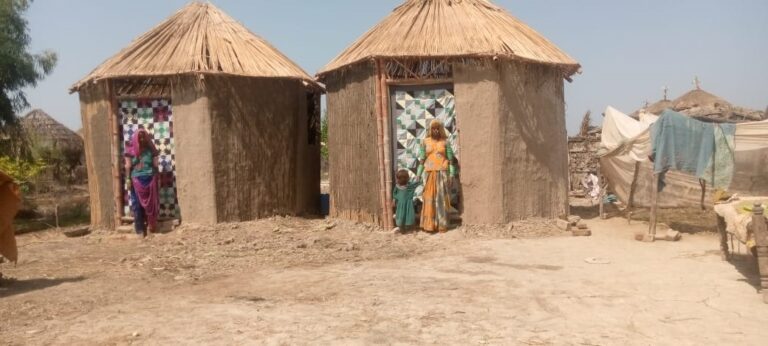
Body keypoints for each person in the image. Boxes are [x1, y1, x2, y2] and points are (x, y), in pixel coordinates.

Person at [417, 120, 456, 233]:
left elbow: (450, 159)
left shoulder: (445, 142)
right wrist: (419, 174)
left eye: (438, 128)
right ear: (430, 130)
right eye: (433, 128)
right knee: (429, 198)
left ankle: (442, 225)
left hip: (442, 172)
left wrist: (452, 173)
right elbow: (422, 159)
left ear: (441, 130)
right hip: (429, 173)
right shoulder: (424, 142)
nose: (435, 130)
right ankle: (429, 225)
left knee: (441, 199)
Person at [124, 129, 160, 238]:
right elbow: (128, 166)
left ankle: (151, 227)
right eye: (140, 137)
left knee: (151, 204)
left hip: (150, 180)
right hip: (136, 181)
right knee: (136, 205)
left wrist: (157, 178)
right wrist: (128, 179)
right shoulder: (130, 150)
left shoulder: (150, 149)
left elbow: (155, 165)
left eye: (144, 137)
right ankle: (140, 230)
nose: (142, 139)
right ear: (136, 138)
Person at [392, 169, 420, 233]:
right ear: (407, 179)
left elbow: (394, 194)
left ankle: (402, 228)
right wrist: (417, 178)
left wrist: (394, 200)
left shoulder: (397, 187)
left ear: (398, 179)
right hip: (407, 205)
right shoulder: (410, 187)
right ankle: (407, 228)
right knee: (408, 215)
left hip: (400, 205)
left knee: (401, 215)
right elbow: (417, 183)